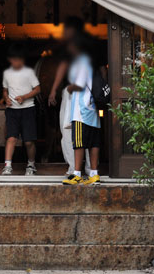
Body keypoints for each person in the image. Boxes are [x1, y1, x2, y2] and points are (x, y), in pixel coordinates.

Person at [47, 16, 90, 176]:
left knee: (85, 130)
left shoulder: (87, 47)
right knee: (68, 131)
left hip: (84, 91)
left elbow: (100, 69)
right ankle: (75, 167)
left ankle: (87, 168)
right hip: (71, 92)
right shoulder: (69, 48)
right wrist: (53, 90)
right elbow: (62, 68)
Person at [62, 32, 101, 185]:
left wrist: (70, 88)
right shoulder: (92, 62)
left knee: (78, 143)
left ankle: (77, 174)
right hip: (93, 110)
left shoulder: (81, 61)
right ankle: (94, 174)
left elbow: (79, 84)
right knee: (94, 143)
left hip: (81, 111)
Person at [2, 43, 41, 176]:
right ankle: (7, 166)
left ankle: (31, 164)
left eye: (18, 59)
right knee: (11, 138)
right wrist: (6, 98)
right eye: (13, 59)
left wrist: (24, 97)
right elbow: (5, 90)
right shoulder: (7, 73)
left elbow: (37, 89)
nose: (15, 62)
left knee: (28, 141)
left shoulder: (29, 73)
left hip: (28, 109)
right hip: (12, 110)